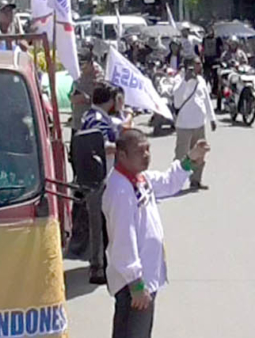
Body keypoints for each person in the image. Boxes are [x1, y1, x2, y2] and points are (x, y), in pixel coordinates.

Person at [103, 129, 209, 338]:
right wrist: (136, 284)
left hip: (145, 275)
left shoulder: (139, 179)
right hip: (132, 282)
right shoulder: (120, 190)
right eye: (140, 151)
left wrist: (191, 159)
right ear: (122, 155)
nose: (146, 155)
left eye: (148, 150)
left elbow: (168, 182)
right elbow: (123, 240)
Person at [80, 81, 119, 285]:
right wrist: (122, 146)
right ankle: (98, 267)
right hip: (100, 178)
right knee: (100, 224)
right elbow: (102, 147)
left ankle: (100, 263)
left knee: (100, 223)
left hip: (95, 176)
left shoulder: (92, 116)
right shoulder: (97, 120)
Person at [172, 57, 216, 191]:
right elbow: (177, 100)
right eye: (196, 64)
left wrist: (212, 118)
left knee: (200, 153)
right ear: (188, 66)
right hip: (184, 125)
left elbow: (206, 100)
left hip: (199, 124)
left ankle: (196, 180)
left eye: (200, 64)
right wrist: (185, 81)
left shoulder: (201, 80)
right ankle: (174, 182)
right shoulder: (179, 80)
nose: (200, 66)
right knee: (181, 155)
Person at [70, 56, 102, 137]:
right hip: (77, 120)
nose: (82, 67)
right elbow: (72, 94)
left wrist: (87, 99)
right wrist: (74, 98)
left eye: (84, 65)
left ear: (90, 64)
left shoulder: (99, 76)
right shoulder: (79, 76)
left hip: (91, 122)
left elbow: (102, 99)